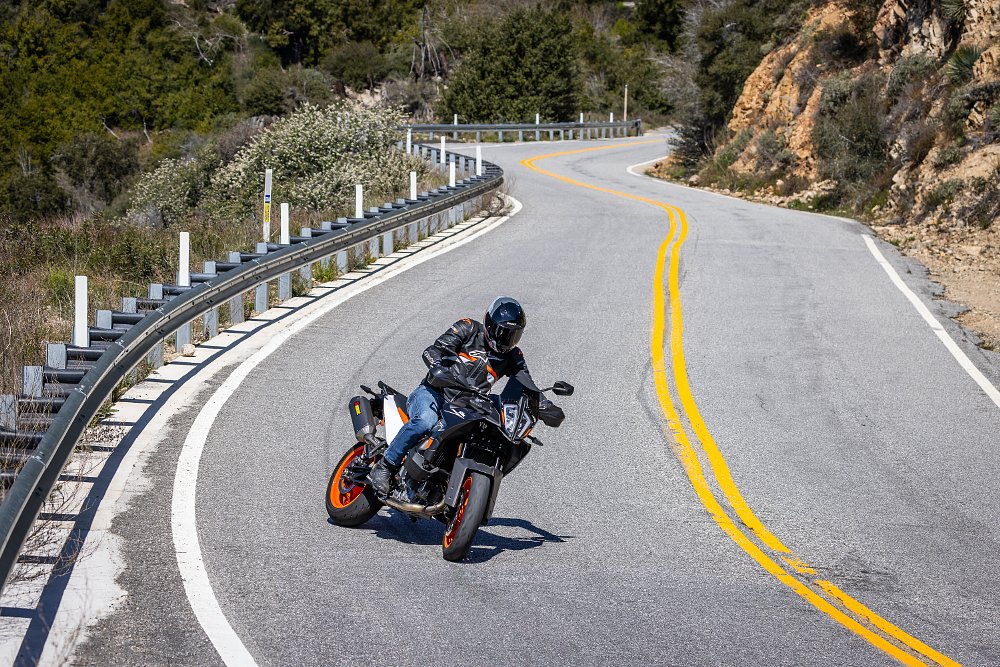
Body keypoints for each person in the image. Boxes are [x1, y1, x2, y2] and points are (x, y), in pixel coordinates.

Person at [369, 296, 531, 494]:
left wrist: (545, 405)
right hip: (434, 392)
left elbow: (526, 383)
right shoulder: (469, 328)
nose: (507, 340)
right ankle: (385, 466)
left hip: (466, 405)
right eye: (503, 333)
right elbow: (432, 350)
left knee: (483, 433)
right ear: (489, 324)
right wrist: (437, 367)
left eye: (513, 336)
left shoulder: (513, 356)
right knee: (425, 421)